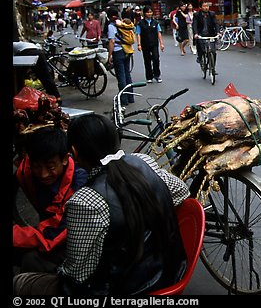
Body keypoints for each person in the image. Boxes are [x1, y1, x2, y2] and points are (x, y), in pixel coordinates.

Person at [13, 114, 190, 295]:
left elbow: (76, 275)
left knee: (21, 281)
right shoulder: (143, 161)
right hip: (172, 271)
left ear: (73, 152)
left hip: (128, 289)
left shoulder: (85, 201)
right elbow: (182, 192)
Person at [13, 127, 88, 274]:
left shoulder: (80, 184)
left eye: (50, 167)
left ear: (65, 159)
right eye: (37, 166)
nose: (43, 174)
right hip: (48, 228)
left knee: (31, 260)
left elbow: (53, 234)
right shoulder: (25, 170)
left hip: (73, 240)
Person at [105, 6, 134, 107]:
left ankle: (123, 100)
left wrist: (109, 55)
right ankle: (131, 97)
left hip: (118, 52)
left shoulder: (111, 26)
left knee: (121, 76)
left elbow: (112, 41)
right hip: (127, 50)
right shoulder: (123, 23)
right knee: (127, 74)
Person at [136, 6, 165, 83]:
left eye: (151, 12)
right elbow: (138, 34)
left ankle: (157, 75)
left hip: (154, 44)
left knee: (156, 59)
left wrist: (161, 44)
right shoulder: (140, 23)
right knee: (147, 60)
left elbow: (159, 33)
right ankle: (149, 76)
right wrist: (139, 44)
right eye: (148, 12)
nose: (149, 13)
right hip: (145, 44)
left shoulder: (155, 22)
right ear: (144, 13)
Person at [193, 0, 218, 65]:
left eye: (207, 6)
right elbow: (194, 25)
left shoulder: (212, 14)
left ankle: (213, 68)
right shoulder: (197, 15)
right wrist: (196, 33)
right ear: (200, 7)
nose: (206, 7)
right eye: (204, 6)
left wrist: (218, 32)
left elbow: (216, 23)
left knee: (213, 52)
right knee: (202, 49)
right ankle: (200, 57)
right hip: (201, 34)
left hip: (211, 34)